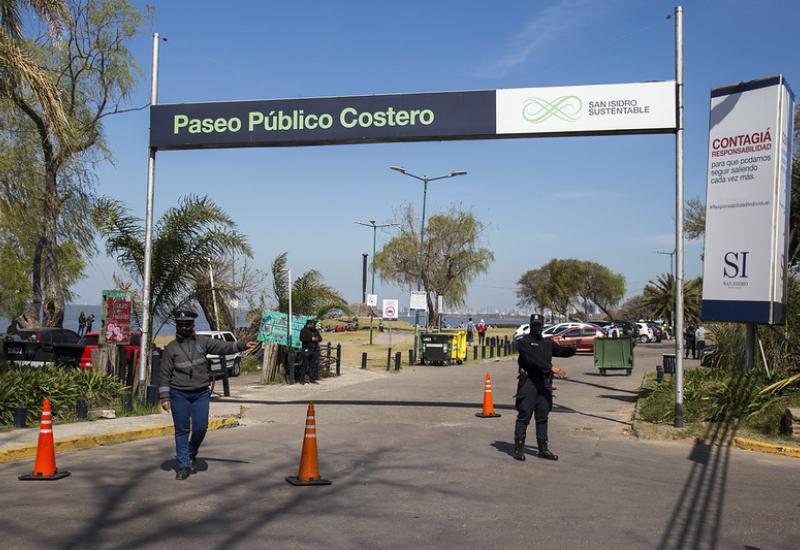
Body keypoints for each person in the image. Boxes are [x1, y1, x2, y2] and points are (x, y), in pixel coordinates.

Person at [159, 309, 257, 480]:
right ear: (177, 326)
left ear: (193, 325)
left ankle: (191, 452)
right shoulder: (171, 348)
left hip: (200, 394)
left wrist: (242, 345)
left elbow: (224, 347)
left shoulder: (203, 342)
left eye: (187, 324)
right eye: (180, 324)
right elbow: (164, 375)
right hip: (179, 394)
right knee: (181, 430)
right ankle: (183, 465)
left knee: (201, 427)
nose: (184, 327)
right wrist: (165, 398)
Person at [513, 313, 567, 462]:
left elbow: (561, 350)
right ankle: (518, 449)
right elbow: (533, 360)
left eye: (539, 325)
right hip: (529, 383)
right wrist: (551, 367)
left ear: (542, 326)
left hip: (544, 384)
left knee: (543, 417)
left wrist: (574, 347)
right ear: (531, 326)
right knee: (524, 416)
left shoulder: (546, 343)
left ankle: (543, 449)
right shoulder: (524, 342)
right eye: (534, 325)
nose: (537, 327)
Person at [299, 318, 323, 384]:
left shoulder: (315, 330)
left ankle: (312, 379)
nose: (313, 325)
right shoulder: (303, 330)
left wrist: (316, 339)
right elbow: (301, 338)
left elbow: (320, 338)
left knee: (312, 365)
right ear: (308, 324)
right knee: (304, 364)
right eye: (312, 324)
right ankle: (302, 380)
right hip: (306, 349)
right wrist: (311, 339)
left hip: (314, 349)